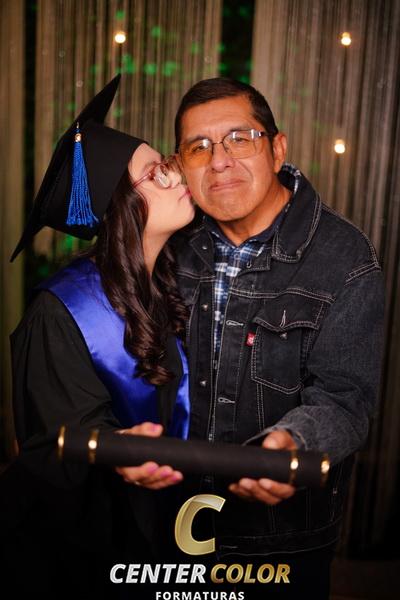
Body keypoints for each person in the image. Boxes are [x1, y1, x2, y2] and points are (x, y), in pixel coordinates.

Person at [169, 77, 384, 598]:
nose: (219, 161)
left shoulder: (346, 259)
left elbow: (346, 399)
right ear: (181, 165)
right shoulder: (170, 244)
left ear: (278, 148)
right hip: (170, 522)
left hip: (279, 542)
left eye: (239, 138)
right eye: (199, 147)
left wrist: (293, 444)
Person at [0, 75, 194, 596]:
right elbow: (49, 455)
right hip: (89, 557)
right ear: (118, 209)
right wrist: (108, 449)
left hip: (168, 535)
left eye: (166, 164)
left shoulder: (167, 286)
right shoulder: (60, 312)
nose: (176, 175)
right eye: (155, 173)